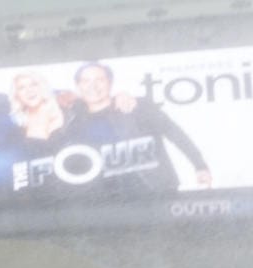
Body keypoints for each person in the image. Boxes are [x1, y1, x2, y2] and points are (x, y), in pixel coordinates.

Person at [58, 62, 211, 196]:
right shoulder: (73, 122)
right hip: (106, 203)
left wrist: (200, 166)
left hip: (155, 192)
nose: (93, 86)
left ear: (110, 83)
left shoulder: (138, 107)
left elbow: (175, 133)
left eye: (100, 80)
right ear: (78, 86)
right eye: (86, 81)